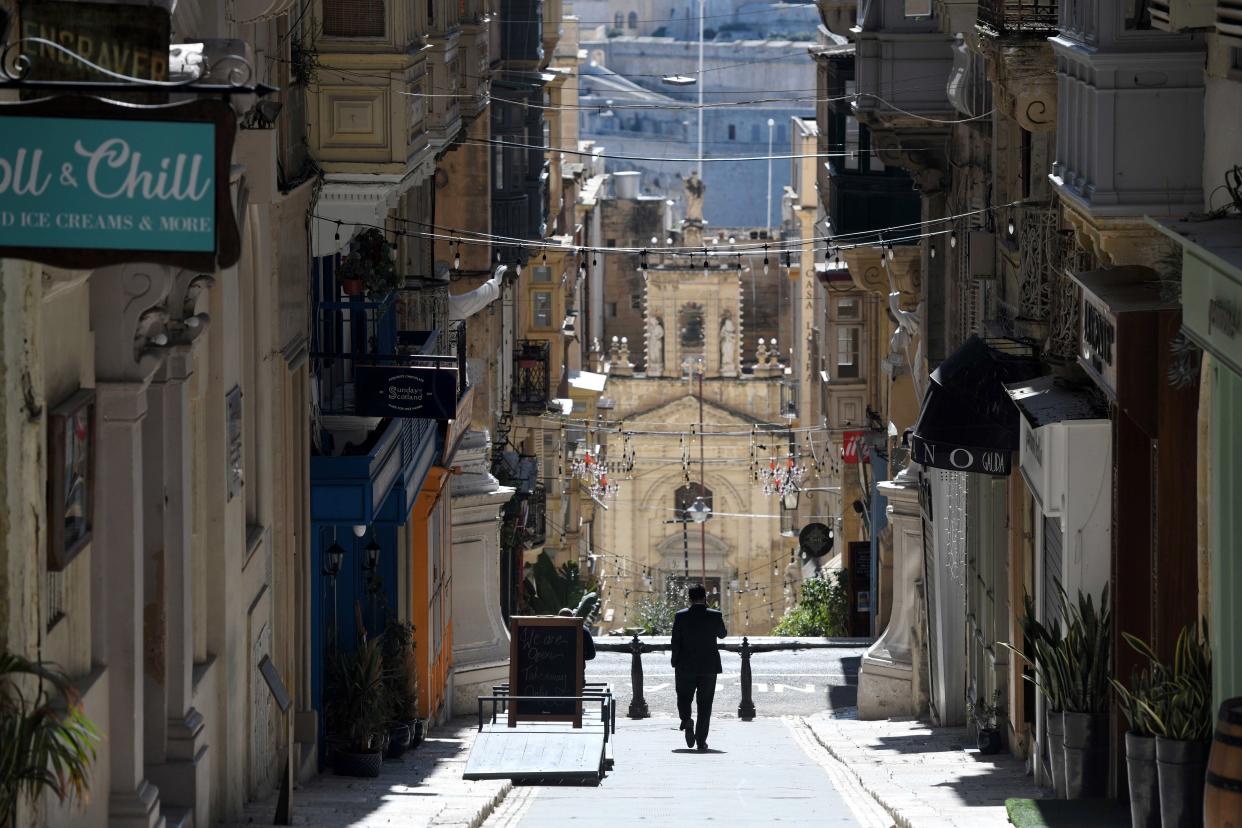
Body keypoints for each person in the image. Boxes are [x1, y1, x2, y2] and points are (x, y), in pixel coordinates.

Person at [670, 584, 727, 751]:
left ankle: (687, 720)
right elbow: (722, 634)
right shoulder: (714, 615)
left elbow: (675, 641)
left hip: (685, 666)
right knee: (705, 704)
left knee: (683, 697)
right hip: (709, 666)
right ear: (705, 597)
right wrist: (711, 612)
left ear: (689, 598)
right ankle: (701, 740)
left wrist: (675, 661)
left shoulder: (680, 616)